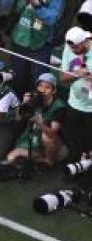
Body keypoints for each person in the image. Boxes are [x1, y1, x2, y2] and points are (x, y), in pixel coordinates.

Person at [0, 73, 67, 169]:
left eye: (47, 87)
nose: (42, 90)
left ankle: (49, 161)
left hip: (53, 145)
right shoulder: (34, 100)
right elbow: (18, 119)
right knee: (10, 158)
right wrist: (24, 103)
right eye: (40, 86)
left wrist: (39, 123)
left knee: (46, 136)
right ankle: (40, 160)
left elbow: (52, 134)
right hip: (33, 140)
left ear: (54, 90)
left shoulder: (59, 106)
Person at [8, 0, 64, 95]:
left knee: (39, 81)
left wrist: (37, 5)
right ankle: (16, 104)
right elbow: (14, 8)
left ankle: (35, 105)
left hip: (41, 44)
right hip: (20, 38)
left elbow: (51, 19)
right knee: (17, 77)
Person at [59, 25, 92, 158]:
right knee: (72, 139)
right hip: (74, 103)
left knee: (89, 142)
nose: (73, 51)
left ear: (84, 41)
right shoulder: (69, 49)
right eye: (71, 48)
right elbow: (63, 78)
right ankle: (73, 167)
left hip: (91, 109)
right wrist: (78, 73)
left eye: (76, 47)